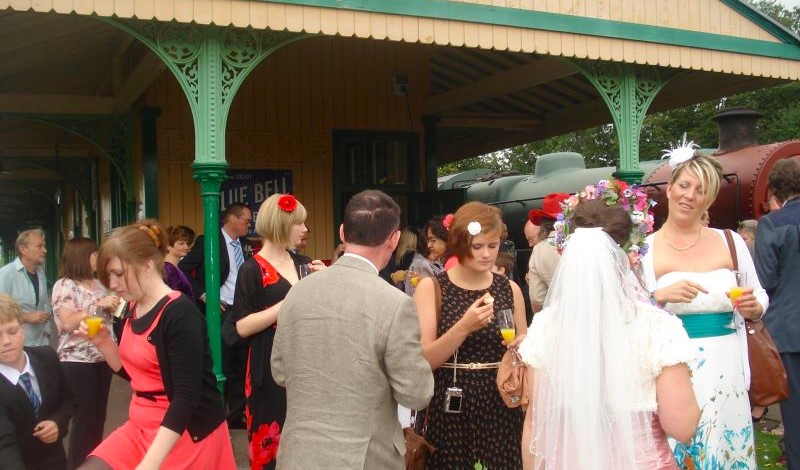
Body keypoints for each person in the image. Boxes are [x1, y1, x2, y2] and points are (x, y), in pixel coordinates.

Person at [519, 199, 700, 469]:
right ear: (626, 255)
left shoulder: (546, 326)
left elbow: (535, 424)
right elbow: (681, 426)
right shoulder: (657, 326)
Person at [271, 190, 433, 469]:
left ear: (343, 232)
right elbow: (416, 393)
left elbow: (280, 371)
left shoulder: (297, 292)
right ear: (394, 239)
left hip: (299, 454)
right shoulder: (395, 304)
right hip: (364, 458)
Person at [642, 150, 768, 469]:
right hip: (675, 368)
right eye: (684, 186)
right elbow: (630, 312)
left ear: (709, 200)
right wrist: (658, 296)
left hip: (728, 364)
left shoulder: (730, 242)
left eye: (701, 191)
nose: (690, 196)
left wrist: (755, 306)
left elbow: (759, 293)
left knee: (727, 449)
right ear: (670, 188)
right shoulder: (645, 249)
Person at [75, 220, 235, 470]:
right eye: (108, 276)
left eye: (119, 274)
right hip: (141, 426)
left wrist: (149, 463)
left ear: (148, 265)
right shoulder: (131, 306)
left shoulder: (179, 313)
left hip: (185, 432)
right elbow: (137, 375)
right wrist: (103, 342)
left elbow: (186, 397)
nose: (113, 284)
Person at [414, 202, 528, 469]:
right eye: (477, 246)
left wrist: (523, 348)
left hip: (500, 407)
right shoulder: (432, 288)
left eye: (493, 245)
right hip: (449, 408)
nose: (487, 254)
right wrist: (463, 327)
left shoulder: (510, 289)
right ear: (459, 244)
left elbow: (525, 355)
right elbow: (423, 360)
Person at [230, 194, 324, 470]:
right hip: (268, 363)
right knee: (271, 445)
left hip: (306, 362)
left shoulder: (303, 262)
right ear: (281, 224)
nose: (305, 229)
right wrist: (287, 303)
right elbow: (242, 326)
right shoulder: (251, 269)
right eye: (299, 223)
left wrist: (324, 282)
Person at [179, 202, 252, 429]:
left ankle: (236, 415)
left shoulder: (245, 245)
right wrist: (203, 294)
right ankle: (217, 413)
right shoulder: (209, 241)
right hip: (221, 310)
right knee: (221, 363)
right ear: (233, 218)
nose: (249, 226)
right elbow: (182, 269)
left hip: (242, 310)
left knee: (241, 363)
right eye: (246, 221)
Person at [50, 238, 120, 469]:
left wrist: (113, 305)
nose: (98, 260)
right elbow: (67, 322)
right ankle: (77, 464)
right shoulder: (65, 285)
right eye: (94, 255)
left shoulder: (99, 284)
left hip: (103, 356)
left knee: (99, 416)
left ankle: (93, 462)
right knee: (84, 416)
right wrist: (97, 305)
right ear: (82, 257)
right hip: (76, 359)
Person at [754, 159, 800, 468]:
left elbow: (765, 280)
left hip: (789, 329)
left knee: (795, 415)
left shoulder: (773, 224)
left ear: (776, 189)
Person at [0, 294, 76, 470]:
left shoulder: (47, 357)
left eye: (12, 331)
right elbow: (4, 446)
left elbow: (68, 399)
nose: (6, 341)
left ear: (23, 330)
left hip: (55, 461)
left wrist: (57, 422)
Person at [0, 229, 53, 347]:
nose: (44, 250)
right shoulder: (6, 274)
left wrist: (47, 332)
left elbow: (44, 304)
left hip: (41, 342)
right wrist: (26, 317)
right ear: (23, 249)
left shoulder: (40, 273)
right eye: (39, 246)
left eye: (44, 246)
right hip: (18, 345)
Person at [527, 193, 569, 313]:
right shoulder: (587, 241)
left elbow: (537, 299)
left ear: (544, 223)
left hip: (557, 316)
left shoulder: (539, 249)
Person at [404, 215, 448, 296]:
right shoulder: (421, 265)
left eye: (433, 240)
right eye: (428, 240)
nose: (429, 245)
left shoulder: (450, 262)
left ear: (446, 238)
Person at [164, 226, 195, 298]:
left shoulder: (172, 268)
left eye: (187, 243)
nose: (186, 247)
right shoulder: (168, 269)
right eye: (181, 243)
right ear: (168, 246)